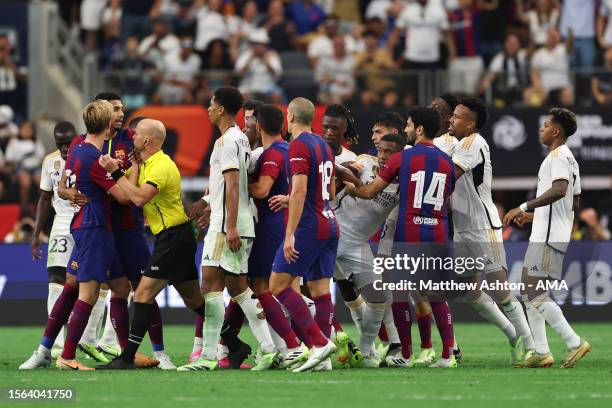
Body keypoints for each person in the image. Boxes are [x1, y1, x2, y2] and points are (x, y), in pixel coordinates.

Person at [21, 100, 135, 371]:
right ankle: (67, 355)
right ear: (108, 126)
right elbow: (124, 197)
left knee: (117, 288)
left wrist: (67, 190)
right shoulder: (95, 159)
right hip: (94, 226)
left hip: (84, 224)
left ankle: (125, 354)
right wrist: (119, 170)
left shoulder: (76, 147)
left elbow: (62, 184)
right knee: (88, 293)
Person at [345, 107, 457, 368]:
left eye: (408, 125)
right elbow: (447, 197)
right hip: (439, 233)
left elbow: (371, 192)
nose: (405, 130)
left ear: (419, 129)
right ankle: (447, 356)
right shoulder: (446, 161)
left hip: (410, 233)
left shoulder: (400, 159)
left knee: (399, 294)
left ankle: (405, 355)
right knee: (437, 295)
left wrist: (352, 188)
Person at [180, 87, 278, 372]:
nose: (208, 109)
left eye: (211, 104)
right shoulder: (241, 140)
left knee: (209, 285)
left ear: (221, 108)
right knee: (238, 288)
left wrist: (230, 225)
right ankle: (269, 348)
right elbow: (230, 186)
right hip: (235, 222)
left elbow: (234, 184)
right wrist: (210, 203)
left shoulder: (227, 142)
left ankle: (209, 356)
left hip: (228, 226)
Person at [96, 118, 205, 370]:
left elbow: (137, 198)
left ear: (146, 140)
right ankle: (233, 341)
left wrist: (114, 171)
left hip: (173, 238)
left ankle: (127, 357)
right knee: (194, 301)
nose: (131, 138)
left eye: (136, 135)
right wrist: (129, 169)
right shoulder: (145, 163)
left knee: (143, 294)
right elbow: (125, 193)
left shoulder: (161, 166)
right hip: (174, 237)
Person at [448, 97, 534, 366]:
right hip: (462, 229)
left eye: (456, 116)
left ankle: (532, 347)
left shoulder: (473, 143)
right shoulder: (454, 142)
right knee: (469, 291)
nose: (451, 119)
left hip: (484, 227)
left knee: (499, 288)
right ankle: (512, 334)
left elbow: (449, 176)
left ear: (470, 124)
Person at [504, 108, 591, 368]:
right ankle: (541, 352)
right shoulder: (570, 159)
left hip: (548, 236)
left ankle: (574, 342)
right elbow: (572, 201)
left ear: (555, 131)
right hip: (551, 231)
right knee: (532, 291)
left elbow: (559, 190)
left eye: (545, 125)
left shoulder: (557, 156)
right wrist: (536, 218)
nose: (541, 129)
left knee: (532, 291)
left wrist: (524, 207)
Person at [24, 121, 107, 364]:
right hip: (62, 223)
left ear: (77, 138)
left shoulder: (90, 154)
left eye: (66, 143)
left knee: (98, 282)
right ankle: (57, 345)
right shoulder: (50, 161)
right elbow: (44, 197)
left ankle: (89, 340)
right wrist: (36, 233)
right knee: (56, 279)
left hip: (89, 220)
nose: (63, 148)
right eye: (58, 143)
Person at [268, 97, 339, 372]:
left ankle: (319, 344)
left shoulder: (298, 145)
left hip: (310, 226)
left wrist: (289, 234)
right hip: (330, 222)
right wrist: (292, 199)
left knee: (277, 285)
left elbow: (299, 190)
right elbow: (328, 191)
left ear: (291, 116)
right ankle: (323, 360)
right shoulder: (323, 144)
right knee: (321, 290)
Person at [332, 133, 406, 367]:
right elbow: (331, 179)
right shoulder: (363, 162)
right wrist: (341, 170)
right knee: (306, 290)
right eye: (381, 151)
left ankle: (364, 353)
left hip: (358, 244)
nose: (383, 156)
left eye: (389, 152)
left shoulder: (404, 181)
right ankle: (289, 347)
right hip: (333, 233)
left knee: (378, 299)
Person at [247, 104, 308, 366]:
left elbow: (261, 190)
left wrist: (230, 182)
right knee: (288, 289)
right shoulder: (288, 148)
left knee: (262, 287)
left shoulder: (272, 153)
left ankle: (290, 347)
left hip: (272, 226)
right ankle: (304, 345)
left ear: (259, 126)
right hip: (287, 225)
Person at [5, 121, 45, 213]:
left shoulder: (36, 141)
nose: (27, 131)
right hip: (20, 168)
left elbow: (41, 157)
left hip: (35, 168)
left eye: (29, 129)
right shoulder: (14, 142)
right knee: (25, 182)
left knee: (42, 183)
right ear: (20, 130)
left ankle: (41, 206)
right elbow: (9, 159)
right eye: (24, 129)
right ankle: (25, 207)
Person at [234, 29, 284, 103]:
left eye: (260, 44)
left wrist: (266, 61)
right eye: (255, 44)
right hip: (248, 86)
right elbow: (238, 74)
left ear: (265, 45)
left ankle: (274, 114)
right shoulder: (245, 55)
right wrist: (250, 59)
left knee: (276, 95)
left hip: (267, 87)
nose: (257, 46)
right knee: (242, 96)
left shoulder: (272, 55)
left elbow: (277, 74)